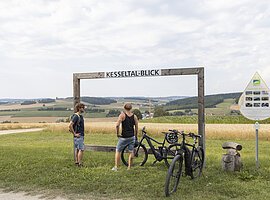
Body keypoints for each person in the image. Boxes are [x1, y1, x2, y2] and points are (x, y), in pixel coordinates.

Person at [112, 103, 138, 171]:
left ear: (124, 108)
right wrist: (136, 136)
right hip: (132, 136)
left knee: (118, 151)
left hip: (124, 137)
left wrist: (117, 134)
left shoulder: (122, 115)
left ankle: (116, 167)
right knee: (131, 151)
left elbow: (117, 125)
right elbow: (136, 127)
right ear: (131, 108)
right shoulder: (134, 116)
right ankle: (129, 167)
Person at [69, 103, 85, 167]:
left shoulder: (79, 116)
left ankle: (76, 162)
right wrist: (75, 134)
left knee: (77, 149)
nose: (84, 109)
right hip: (79, 135)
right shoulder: (76, 116)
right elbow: (70, 125)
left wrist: (74, 134)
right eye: (82, 107)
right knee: (81, 149)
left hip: (78, 135)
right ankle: (79, 163)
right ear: (79, 108)